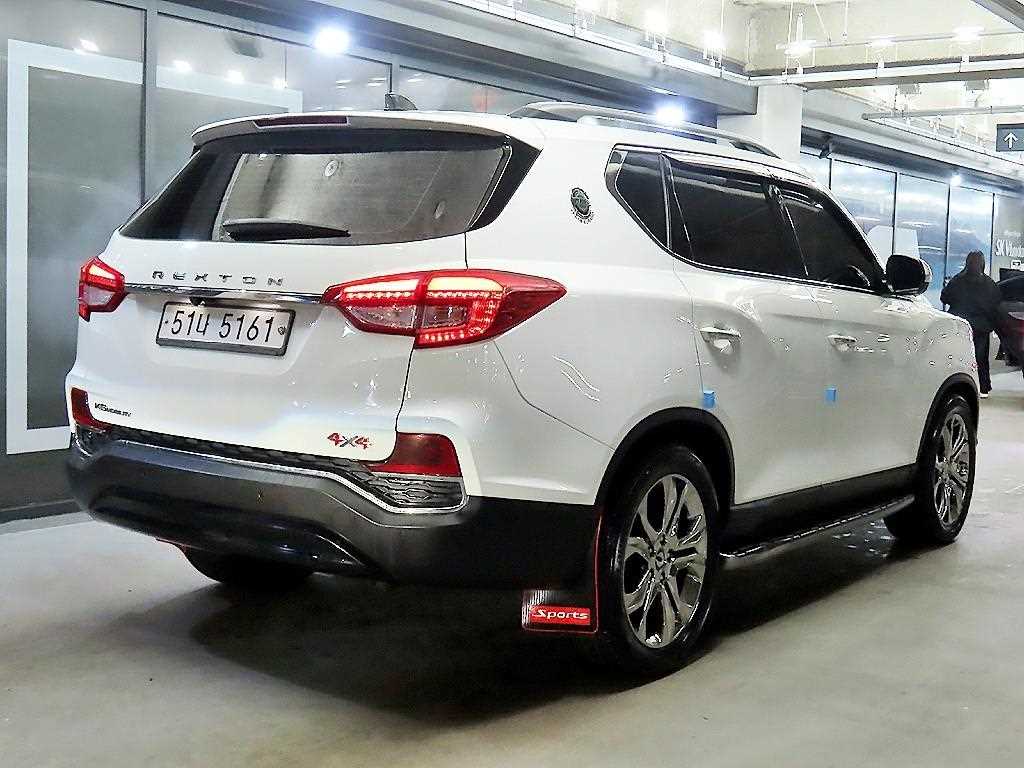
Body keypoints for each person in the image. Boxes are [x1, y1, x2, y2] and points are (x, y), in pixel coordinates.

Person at [941, 250, 1002, 398]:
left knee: (958, 357)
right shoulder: (989, 283)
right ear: (983, 264)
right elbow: (996, 303)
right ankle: (983, 388)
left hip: (960, 325)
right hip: (981, 327)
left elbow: (945, 297)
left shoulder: (957, 280)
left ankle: (957, 387)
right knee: (980, 358)